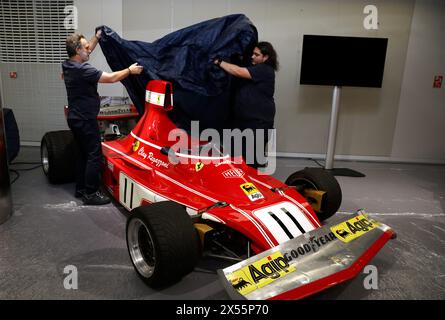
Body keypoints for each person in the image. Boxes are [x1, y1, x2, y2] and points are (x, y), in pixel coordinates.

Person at [62, 30, 143, 205]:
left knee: (82, 154)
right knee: (94, 155)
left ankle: (81, 189)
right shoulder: (84, 69)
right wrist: (130, 70)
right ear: (77, 50)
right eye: (85, 48)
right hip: (85, 119)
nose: (89, 49)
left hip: (75, 118)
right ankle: (91, 193)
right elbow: (112, 78)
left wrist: (97, 37)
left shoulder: (68, 65)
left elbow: (88, 47)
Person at [214, 41, 278, 168]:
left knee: (251, 161)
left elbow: (237, 71)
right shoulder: (255, 67)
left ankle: (254, 185)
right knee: (237, 157)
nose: (252, 56)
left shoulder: (265, 70)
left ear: (266, 57)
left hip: (257, 124)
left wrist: (219, 62)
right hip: (244, 122)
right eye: (253, 54)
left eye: (256, 54)